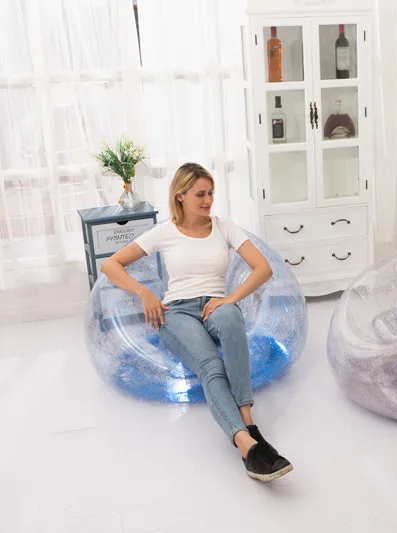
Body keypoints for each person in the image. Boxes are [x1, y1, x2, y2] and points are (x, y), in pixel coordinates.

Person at [101, 162, 293, 482]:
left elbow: (263, 268)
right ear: (180, 196)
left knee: (230, 318)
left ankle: (248, 420)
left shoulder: (224, 226)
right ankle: (247, 446)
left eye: (211, 193)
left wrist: (229, 299)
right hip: (177, 312)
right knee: (211, 365)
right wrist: (144, 292)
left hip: (216, 305)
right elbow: (111, 264)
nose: (208, 200)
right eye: (200, 194)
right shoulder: (164, 232)